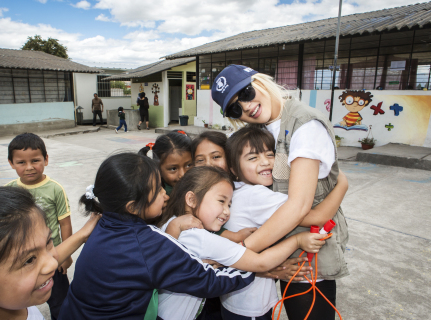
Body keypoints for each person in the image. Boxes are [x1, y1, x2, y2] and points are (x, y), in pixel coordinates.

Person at [211, 64, 349, 320]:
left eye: (246, 92)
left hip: (310, 262)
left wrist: (239, 253)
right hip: (283, 256)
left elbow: (298, 208)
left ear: (260, 80)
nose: (246, 106)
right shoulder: (263, 130)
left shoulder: (304, 125)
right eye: (235, 108)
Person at [57, 153, 256, 320]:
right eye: (158, 190)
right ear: (133, 207)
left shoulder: (103, 224)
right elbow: (209, 281)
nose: (165, 195)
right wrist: (252, 269)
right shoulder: (146, 242)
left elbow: (155, 262)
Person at [154, 166, 326, 320]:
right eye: (221, 201)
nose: (227, 211)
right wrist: (297, 241)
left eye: (229, 204)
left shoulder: (172, 222)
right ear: (191, 200)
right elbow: (260, 262)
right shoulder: (199, 237)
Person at [0, 185, 101, 320]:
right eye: (29, 260)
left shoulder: (6, 298)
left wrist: (83, 234)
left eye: (48, 242)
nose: (52, 264)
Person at [6, 133, 72, 320]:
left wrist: (65, 256)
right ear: (11, 163)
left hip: (52, 256)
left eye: (35, 160)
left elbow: (64, 223)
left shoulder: (54, 188)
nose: (29, 167)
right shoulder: (9, 190)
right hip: (23, 259)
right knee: (22, 298)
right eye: (21, 162)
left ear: (46, 159)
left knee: (59, 299)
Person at [139, 131, 193, 195]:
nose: (183, 174)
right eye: (173, 169)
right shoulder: (160, 197)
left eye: (188, 165)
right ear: (158, 168)